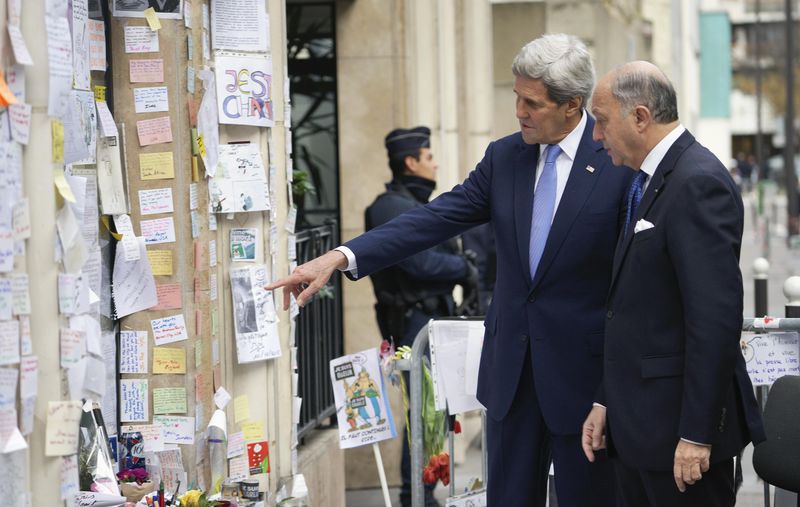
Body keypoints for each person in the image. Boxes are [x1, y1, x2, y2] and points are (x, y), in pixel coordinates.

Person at [268, 34, 633, 506]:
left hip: (585, 387)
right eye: (516, 97)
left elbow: (632, 286)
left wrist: (609, 392)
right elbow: (434, 218)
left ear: (572, 106)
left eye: (531, 103)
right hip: (511, 385)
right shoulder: (506, 157)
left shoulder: (617, 162)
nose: (518, 111)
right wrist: (340, 257)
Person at [582, 61, 766, 507]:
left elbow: (713, 320)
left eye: (602, 121)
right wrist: (607, 402)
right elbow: (637, 309)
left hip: (680, 440)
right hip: (639, 430)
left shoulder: (697, 181)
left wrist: (697, 434)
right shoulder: (651, 179)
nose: (596, 136)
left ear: (641, 117)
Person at [367, 126, 474, 507]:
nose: (435, 164)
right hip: (413, 326)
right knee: (423, 416)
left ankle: (424, 491)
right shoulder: (389, 207)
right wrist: (462, 267)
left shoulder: (413, 204)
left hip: (431, 324)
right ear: (411, 162)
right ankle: (416, 495)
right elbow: (420, 263)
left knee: (435, 414)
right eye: (429, 157)